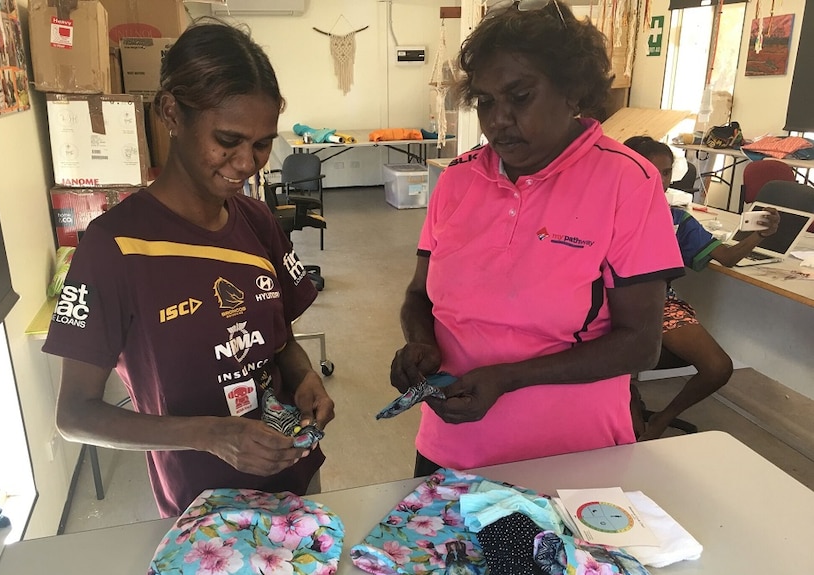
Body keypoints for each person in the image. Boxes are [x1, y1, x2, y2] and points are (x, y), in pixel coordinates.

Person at [43, 21, 335, 518]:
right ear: (172, 113)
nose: (247, 163)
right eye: (228, 139)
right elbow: (74, 415)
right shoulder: (114, 247)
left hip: (292, 480)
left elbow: (278, 338)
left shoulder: (258, 221)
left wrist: (305, 376)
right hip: (200, 506)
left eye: (263, 143)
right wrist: (209, 434)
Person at [389, 1, 685, 477]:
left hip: (567, 456)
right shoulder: (458, 181)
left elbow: (639, 344)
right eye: (485, 101)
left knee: (543, 556)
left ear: (572, 92)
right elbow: (419, 295)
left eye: (519, 96)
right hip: (453, 450)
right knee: (450, 553)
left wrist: (509, 378)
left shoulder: (627, 182)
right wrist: (420, 344)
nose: (498, 119)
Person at [623, 136, 780, 440]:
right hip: (605, 306)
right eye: (650, 171)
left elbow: (728, 257)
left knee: (718, 367)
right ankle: (626, 393)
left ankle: (659, 420)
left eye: (667, 172)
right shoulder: (601, 212)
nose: (660, 181)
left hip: (659, 304)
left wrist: (761, 235)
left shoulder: (677, 220)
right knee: (624, 433)